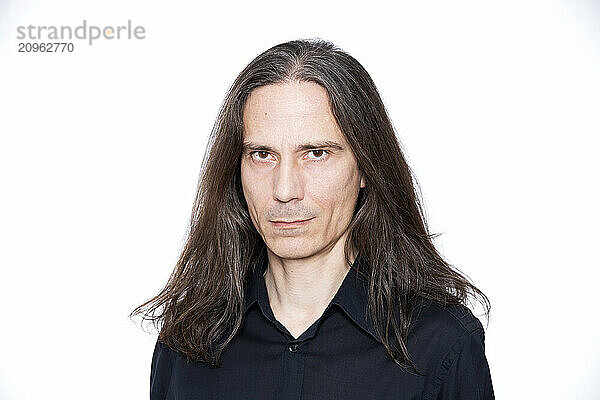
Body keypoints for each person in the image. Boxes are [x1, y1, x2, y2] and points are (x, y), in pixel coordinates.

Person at [130, 38, 494, 399]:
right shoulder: (186, 342)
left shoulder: (441, 343)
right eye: (261, 154)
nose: (285, 189)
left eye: (316, 153)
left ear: (366, 166)